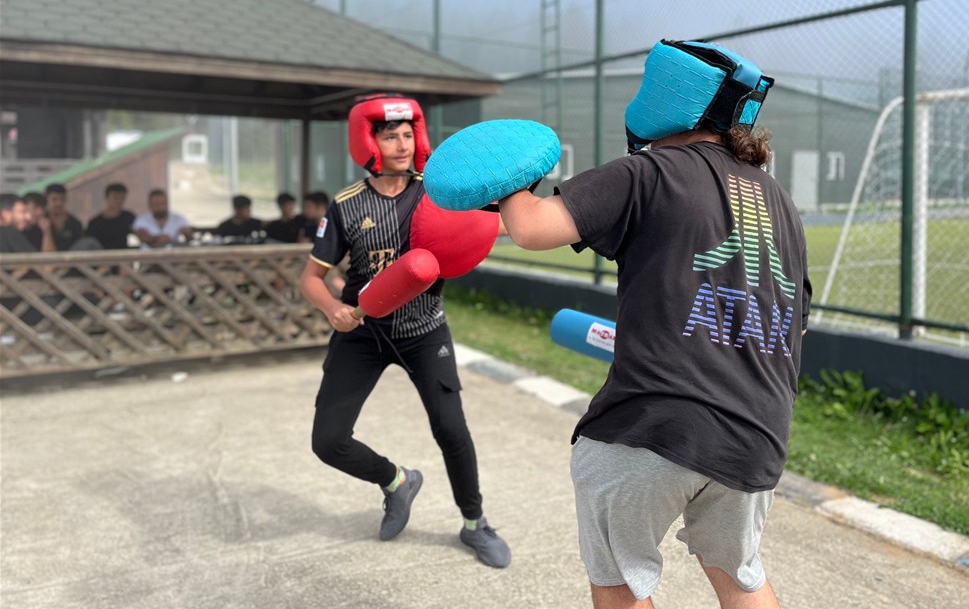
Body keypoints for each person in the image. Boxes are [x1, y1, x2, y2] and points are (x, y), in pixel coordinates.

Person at [498, 40, 811, 609]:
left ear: (668, 100)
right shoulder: (778, 199)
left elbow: (531, 228)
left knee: (619, 577)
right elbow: (793, 325)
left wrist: (506, 177)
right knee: (740, 575)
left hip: (654, 422)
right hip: (757, 433)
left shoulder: (647, 171)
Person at [299, 95, 511, 569]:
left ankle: (475, 523)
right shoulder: (346, 205)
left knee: (451, 430)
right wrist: (333, 308)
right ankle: (397, 481)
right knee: (328, 441)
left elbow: (492, 226)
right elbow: (310, 278)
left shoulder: (440, 193)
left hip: (424, 330)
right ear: (368, 142)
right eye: (390, 136)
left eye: (407, 134)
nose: (401, 144)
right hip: (362, 334)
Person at [86, 183, 136, 249]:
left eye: (122, 198)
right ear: (107, 198)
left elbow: (135, 242)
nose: (119, 201)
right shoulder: (95, 223)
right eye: (115, 197)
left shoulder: (130, 219)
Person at [43, 183, 83, 251]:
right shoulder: (41, 220)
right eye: (54, 200)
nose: (59, 203)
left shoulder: (75, 223)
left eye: (62, 199)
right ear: (46, 200)